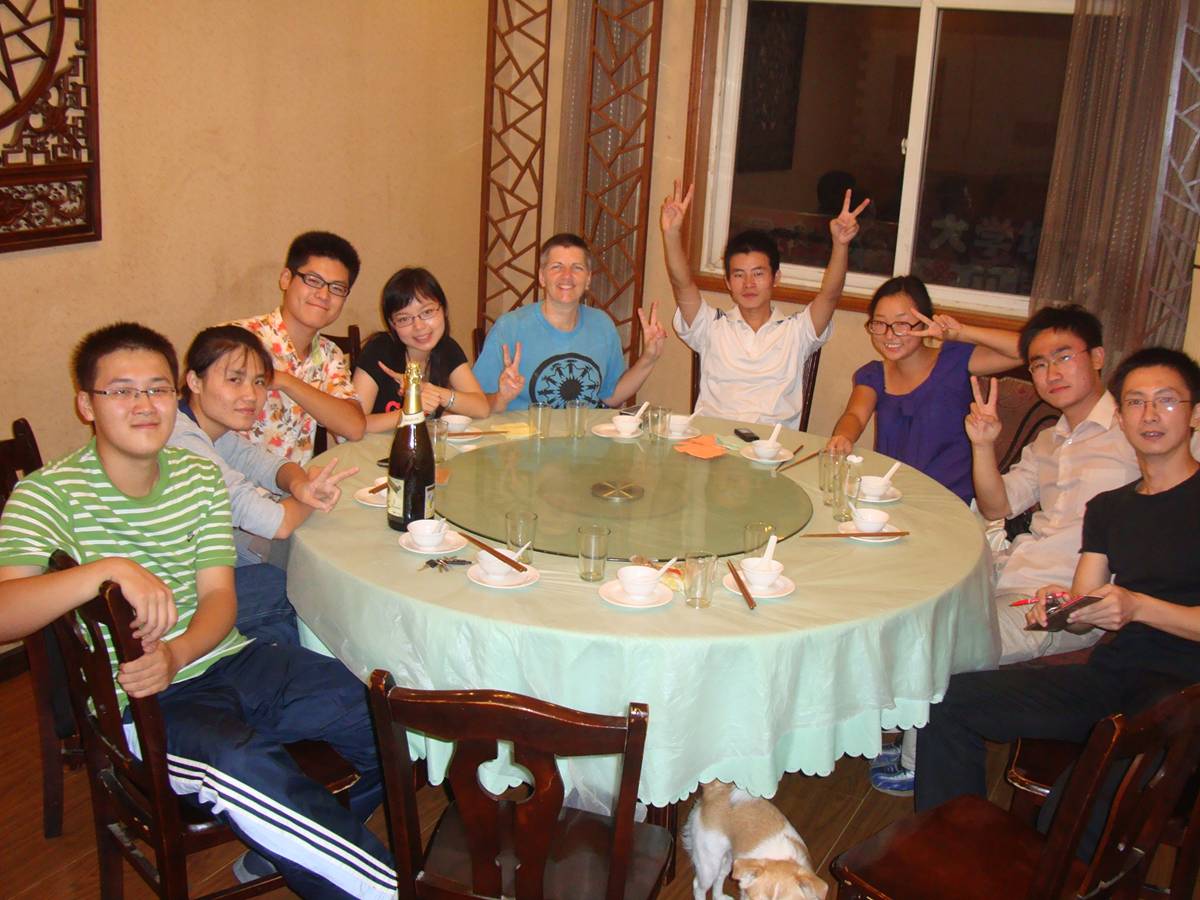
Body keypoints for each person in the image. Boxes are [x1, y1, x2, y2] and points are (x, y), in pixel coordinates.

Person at [0, 323, 396, 898]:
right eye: (122, 391)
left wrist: (179, 651)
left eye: (156, 390)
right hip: (144, 705)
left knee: (383, 715)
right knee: (245, 763)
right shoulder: (46, 494)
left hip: (224, 659)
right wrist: (107, 570)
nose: (143, 405)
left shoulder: (196, 474)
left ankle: (284, 850)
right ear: (87, 404)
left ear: (175, 395)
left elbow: (218, 598)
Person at [915, 347, 1200, 863]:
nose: (1149, 415)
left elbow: (1133, 606)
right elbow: (1085, 598)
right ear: (1121, 414)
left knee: (1071, 808)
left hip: (1186, 704)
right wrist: (1060, 606)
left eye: (1166, 401)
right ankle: (953, 858)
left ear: (1196, 413)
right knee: (946, 701)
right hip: (1113, 681)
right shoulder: (1110, 508)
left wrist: (1137, 606)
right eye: (1135, 402)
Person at [866, 304, 1140, 798]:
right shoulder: (1050, 439)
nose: (1050, 373)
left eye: (1063, 357)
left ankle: (916, 760)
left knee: (945, 645)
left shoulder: (1136, 432)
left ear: (1097, 357)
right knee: (907, 597)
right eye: (1038, 364)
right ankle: (901, 719)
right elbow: (998, 505)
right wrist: (983, 445)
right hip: (1008, 573)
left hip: (1061, 606)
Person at [170, 325, 359, 646]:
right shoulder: (183, 440)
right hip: (179, 601)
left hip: (203, 566)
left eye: (259, 382)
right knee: (314, 591)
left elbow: (269, 466)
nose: (250, 395)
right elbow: (276, 523)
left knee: (315, 559)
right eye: (234, 379)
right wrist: (309, 496)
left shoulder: (207, 426)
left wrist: (300, 484)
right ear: (194, 382)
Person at [659, 180, 868, 428]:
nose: (748, 283)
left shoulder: (797, 331)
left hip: (773, 451)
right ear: (727, 282)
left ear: (775, 278)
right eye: (738, 275)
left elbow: (830, 296)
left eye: (758, 274)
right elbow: (682, 286)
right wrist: (672, 234)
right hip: (711, 445)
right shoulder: (710, 325)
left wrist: (841, 244)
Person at [826, 275, 1022, 503]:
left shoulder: (955, 360)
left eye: (902, 324)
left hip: (952, 502)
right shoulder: (874, 375)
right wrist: (843, 437)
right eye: (879, 323)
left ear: (926, 323)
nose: (890, 335)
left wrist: (959, 333)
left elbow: (1025, 350)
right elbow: (855, 416)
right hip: (894, 497)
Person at [473, 232, 668, 412]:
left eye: (577, 268)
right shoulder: (510, 328)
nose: (567, 276)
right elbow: (475, 404)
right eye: (557, 267)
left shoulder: (602, 325)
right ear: (542, 277)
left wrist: (649, 358)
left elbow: (612, 397)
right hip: (522, 445)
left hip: (586, 444)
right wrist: (501, 397)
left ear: (588, 279)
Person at [233, 230, 367, 464]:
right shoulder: (239, 341)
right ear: (286, 279)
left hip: (297, 489)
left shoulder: (329, 353)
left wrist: (286, 381)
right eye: (313, 281)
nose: (323, 295)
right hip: (232, 491)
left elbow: (354, 427)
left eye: (336, 288)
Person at [353, 266, 489, 431]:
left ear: (444, 309)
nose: (419, 326)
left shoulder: (447, 347)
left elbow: (482, 408)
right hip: (377, 452)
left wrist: (437, 393)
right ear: (392, 324)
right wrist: (412, 410)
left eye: (427, 312)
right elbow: (354, 423)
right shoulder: (379, 350)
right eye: (404, 319)